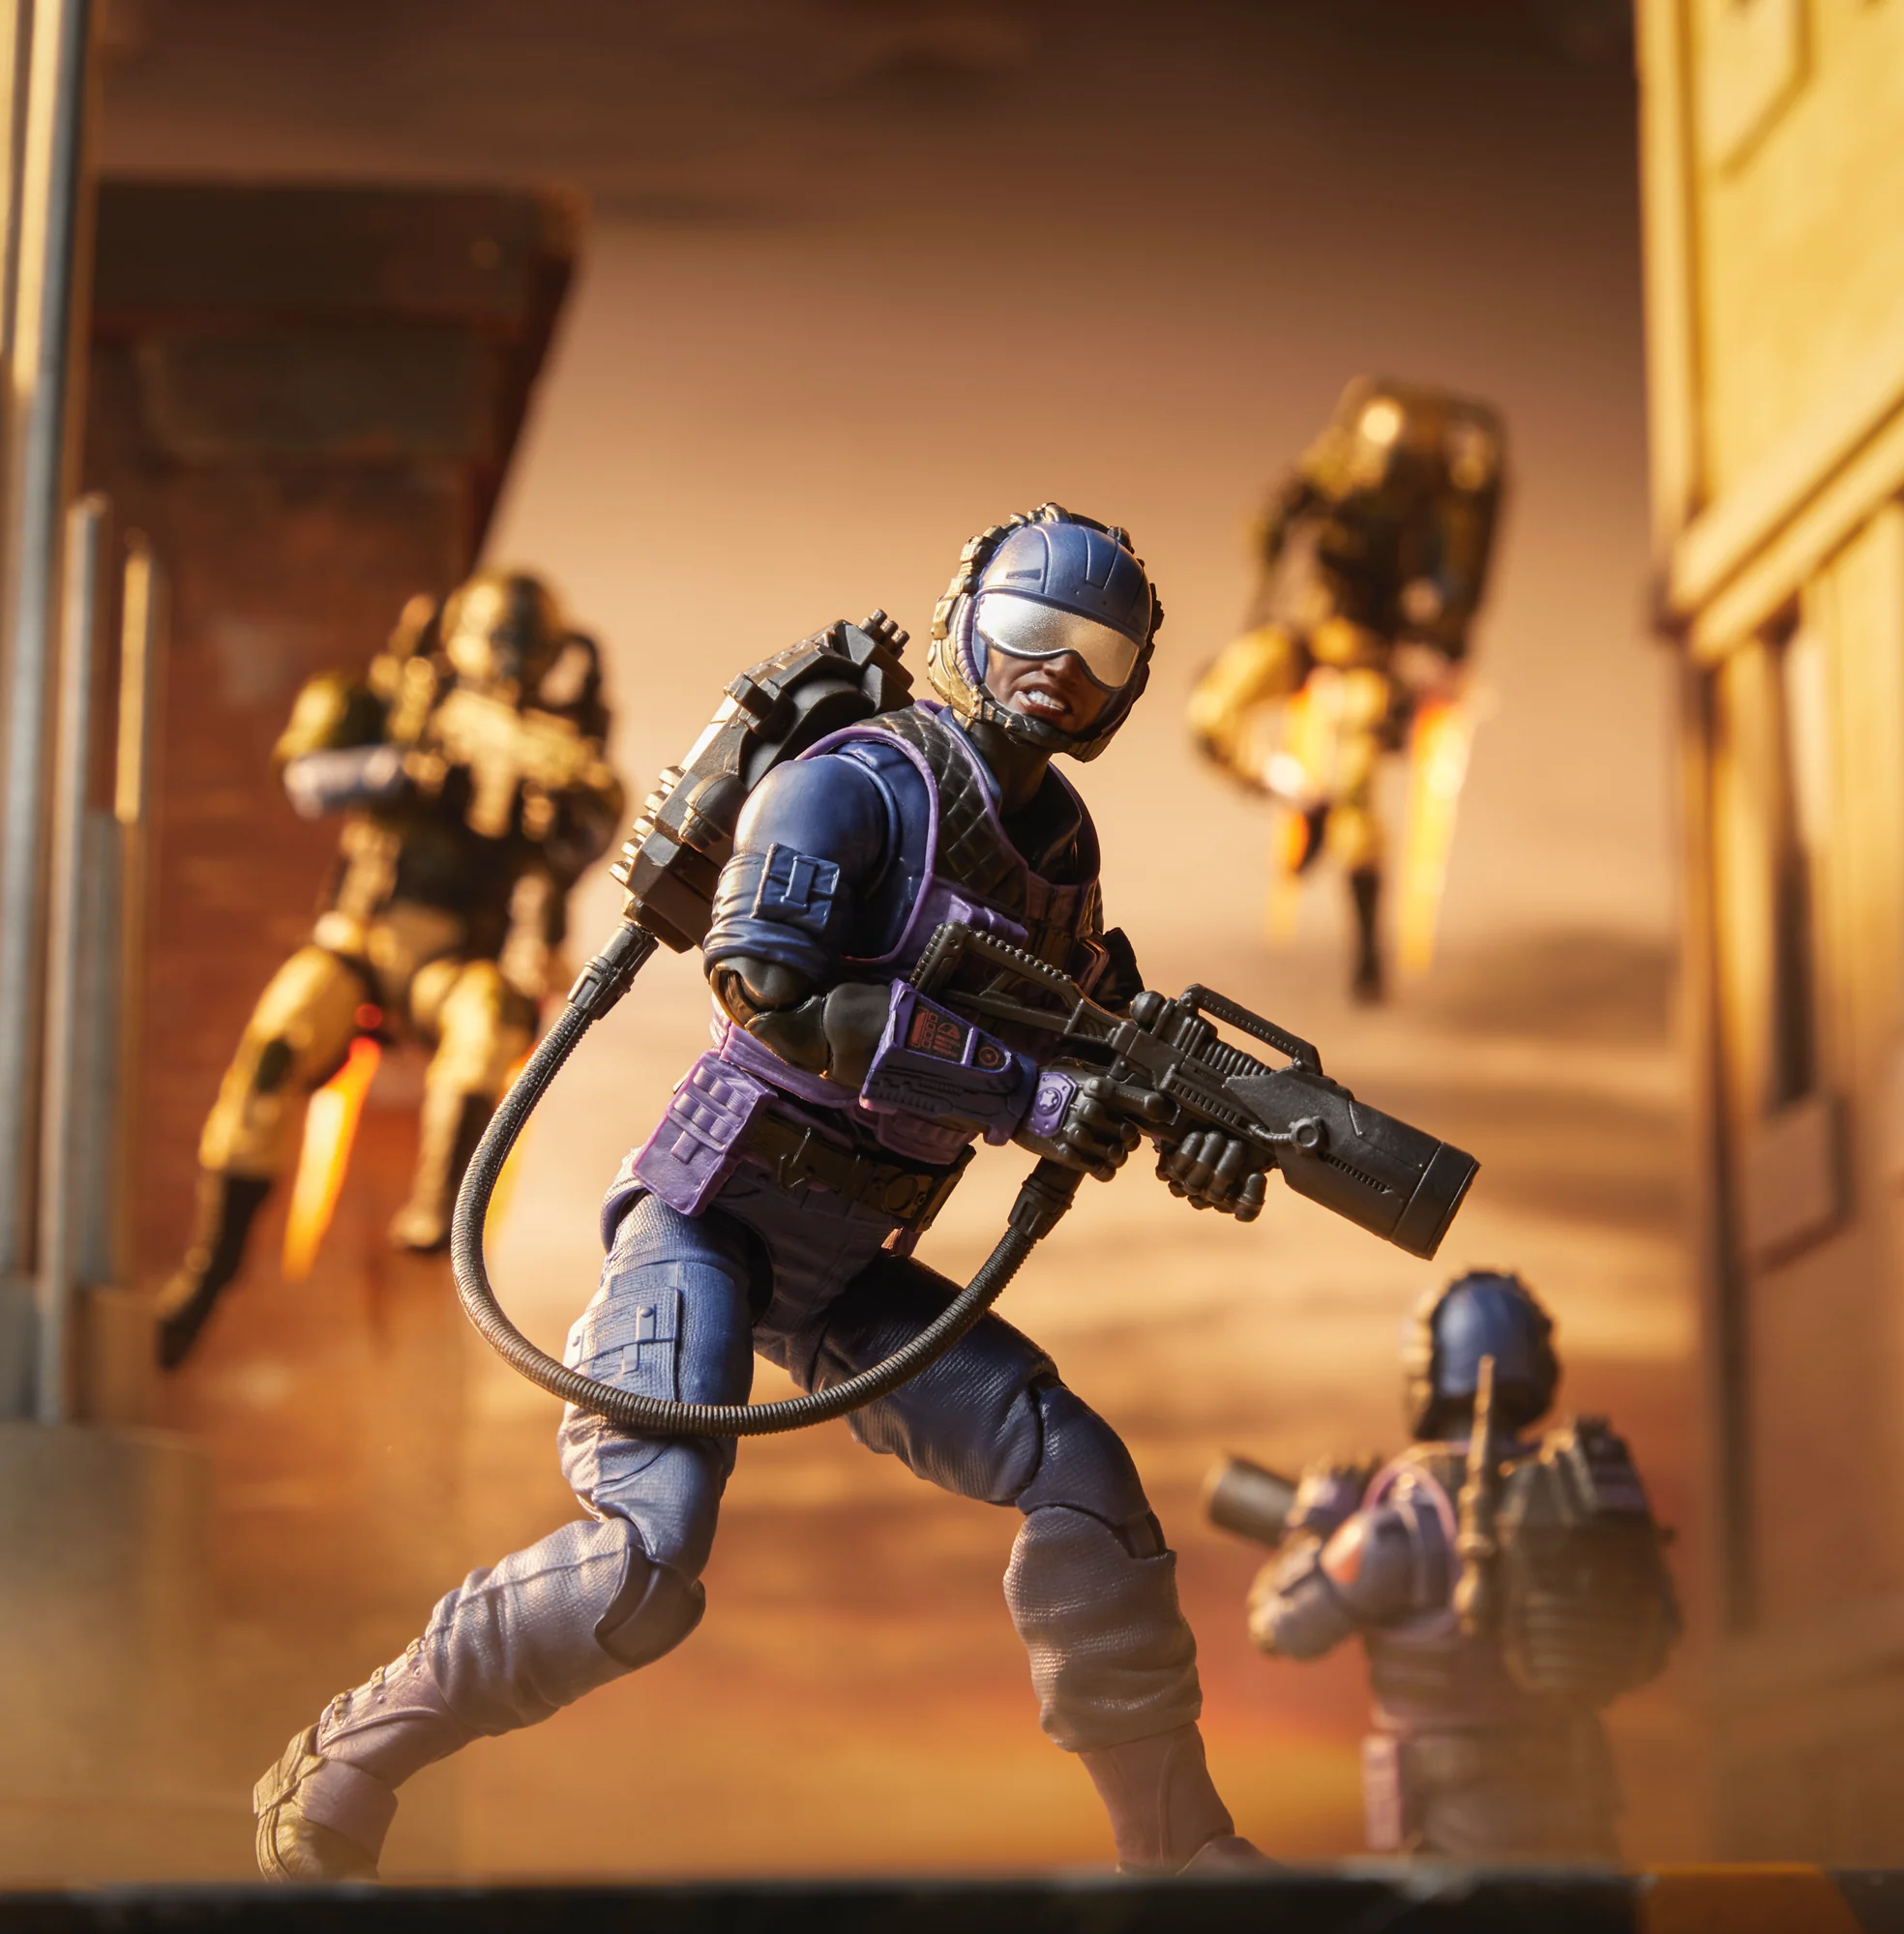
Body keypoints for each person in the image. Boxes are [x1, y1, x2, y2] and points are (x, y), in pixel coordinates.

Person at [252, 505, 1270, 1881]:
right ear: (967, 624)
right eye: (1033, 631)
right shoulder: (856, 783)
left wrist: (1191, 1123)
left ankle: (1180, 1851)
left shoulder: (1060, 852)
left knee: (1084, 1480)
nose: (1058, 674)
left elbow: (1087, 1028)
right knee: (643, 1560)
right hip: (713, 1216)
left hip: (853, 1262)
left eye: (1101, 652)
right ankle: (349, 1755)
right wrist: (1028, 1097)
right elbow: (771, 990)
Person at [157, 570, 625, 1368]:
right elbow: (306, 776)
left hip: (458, 959)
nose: (507, 663)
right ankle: (211, 1267)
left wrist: (552, 805)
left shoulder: (557, 748)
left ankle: (440, 1213)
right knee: (275, 1046)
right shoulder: (394, 701)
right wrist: (405, 768)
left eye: (526, 649)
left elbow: (588, 839)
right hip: (362, 939)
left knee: (487, 1027)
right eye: (497, 641)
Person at [1241, 1270, 1679, 1859]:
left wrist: (1316, 1521)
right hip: (1580, 1820)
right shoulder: (1584, 1499)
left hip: (1454, 1836)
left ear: (1428, 1367)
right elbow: (1659, 1632)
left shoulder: (1400, 1524)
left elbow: (1283, 1626)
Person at [1188, 378, 1505, 1001]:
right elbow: (1266, 537)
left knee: (1358, 801)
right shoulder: (1330, 479)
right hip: (1303, 636)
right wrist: (1282, 513)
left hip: (1371, 657)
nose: (1376, 479)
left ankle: (1367, 951)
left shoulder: (1437, 520)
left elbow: (1456, 595)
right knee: (1214, 717)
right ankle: (1302, 798)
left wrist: (1435, 632)